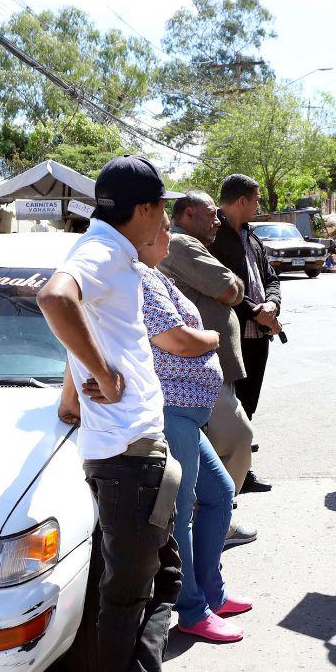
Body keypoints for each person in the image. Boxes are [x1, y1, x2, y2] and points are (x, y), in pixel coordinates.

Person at [38, 154, 196, 672]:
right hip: (129, 458)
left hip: (127, 452)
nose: (160, 218)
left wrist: (76, 386)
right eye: (160, 208)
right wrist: (101, 374)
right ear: (147, 209)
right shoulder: (102, 253)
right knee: (133, 594)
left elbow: (86, 322)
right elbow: (55, 298)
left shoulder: (110, 253)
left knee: (154, 584)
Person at [137, 215, 253, 642]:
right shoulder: (139, 278)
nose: (171, 236)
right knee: (181, 514)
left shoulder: (151, 273)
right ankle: (191, 608)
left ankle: (211, 592)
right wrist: (211, 340)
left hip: (188, 411)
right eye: (165, 228)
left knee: (220, 493)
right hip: (172, 410)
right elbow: (176, 339)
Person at [161, 191, 259, 547]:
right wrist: (232, 283)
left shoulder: (185, 243)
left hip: (203, 368)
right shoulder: (183, 244)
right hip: (196, 370)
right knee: (237, 438)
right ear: (187, 214)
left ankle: (210, 522)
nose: (217, 221)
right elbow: (230, 289)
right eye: (210, 215)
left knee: (217, 445)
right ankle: (217, 524)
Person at [211, 173, 282, 494]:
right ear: (242, 200)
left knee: (248, 404)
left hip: (258, 336)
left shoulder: (252, 236)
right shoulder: (213, 236)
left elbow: (271, 277)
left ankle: (242, 473)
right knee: (229, 410)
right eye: (255, 200)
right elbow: (219, 289)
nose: (258, 206)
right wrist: (258, 310)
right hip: (231, 339)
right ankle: (225, 479)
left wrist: (272, 304)